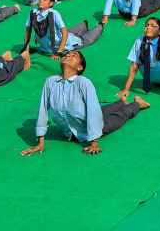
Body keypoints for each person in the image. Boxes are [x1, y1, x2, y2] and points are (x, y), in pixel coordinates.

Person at [21, 50, 150, 156]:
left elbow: (93, 111)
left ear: (79, 67)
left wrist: (94, 142)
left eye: (74, 55)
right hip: (76, 124)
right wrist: (40, 142)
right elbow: (43, 110)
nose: (68, 55)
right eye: (67, 54)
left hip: (94, 126)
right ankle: (120, 101)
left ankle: (137, 103)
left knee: (119, 116)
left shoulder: (83, 82)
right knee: (103, 109)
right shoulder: (50, 82)